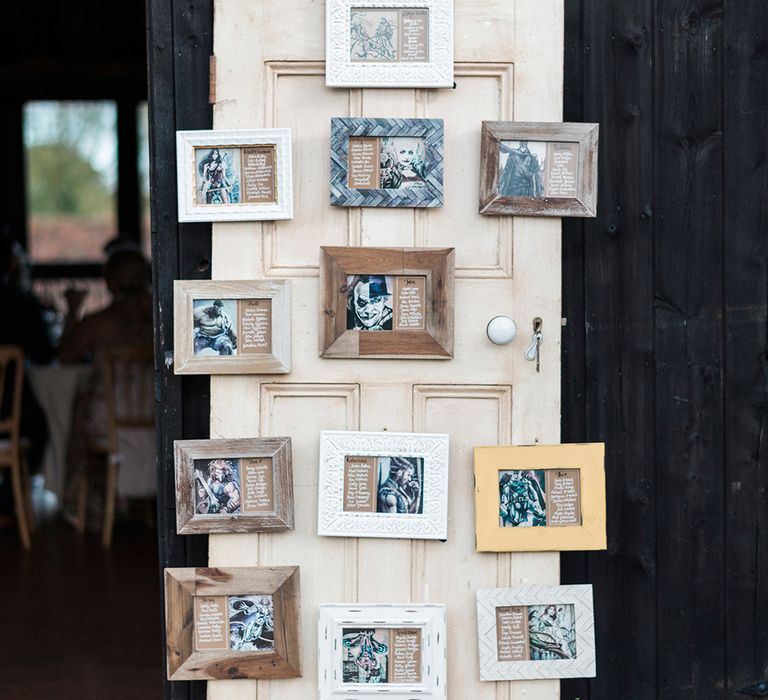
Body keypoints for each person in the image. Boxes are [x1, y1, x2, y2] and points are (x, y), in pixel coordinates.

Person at [58, 249, 153, 363]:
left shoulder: (94, 325)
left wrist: (73, 312)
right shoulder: (164, 321)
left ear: (109, 281)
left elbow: (65, 358)